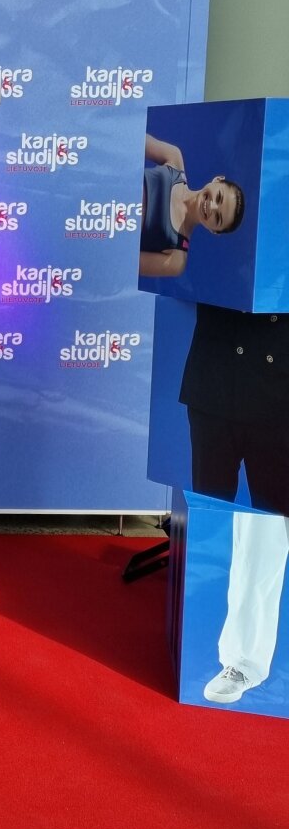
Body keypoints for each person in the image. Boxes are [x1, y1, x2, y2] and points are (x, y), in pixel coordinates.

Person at [179, 305, 289, 704]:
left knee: (270, 529)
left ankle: (247, 661)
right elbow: (170, 272)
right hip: (217, 377)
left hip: (281, 386)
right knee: (212, 522)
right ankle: (203, 642)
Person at [139, 134, 244, 278]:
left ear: (214, 231)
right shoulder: (174, 158)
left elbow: (124, 262)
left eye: (218, 218)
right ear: (217, 180)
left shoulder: (176, 260)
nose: (212, 206)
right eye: (219, 197)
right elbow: (128, 138)